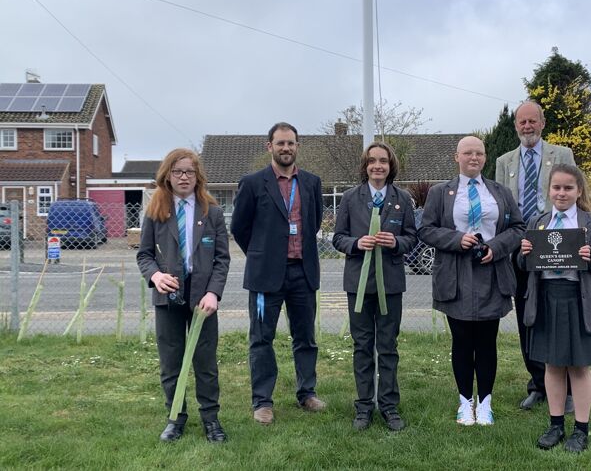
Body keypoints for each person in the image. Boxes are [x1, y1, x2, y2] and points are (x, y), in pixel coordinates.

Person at [419, 136, 525, 426]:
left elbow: (518, 227)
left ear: (485, 158)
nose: (473, 158)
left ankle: (485, 402)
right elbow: (426, 230)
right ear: (457, 157)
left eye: (479, 153)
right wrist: (456, 239)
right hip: (455, 274)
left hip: (492, 273)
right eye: (468, 153)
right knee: (462, 341)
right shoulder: (441, 193)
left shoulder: (500, 192)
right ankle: (465, 402)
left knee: (487, 342)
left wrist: (496, 247)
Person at [518, 164, 591, 453]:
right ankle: (555, 425)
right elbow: (524, 264)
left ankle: (581, 430)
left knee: (579, 367)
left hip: (579, 300)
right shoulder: (538, 222)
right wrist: (523, 255)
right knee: (552, 365)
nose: (561, 193)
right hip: (547, 299)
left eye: (568, 188)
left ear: (579, 191)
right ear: (549, 190)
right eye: (556, 187)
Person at [230, 122, 325, 425]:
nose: (286, 148)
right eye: (280, 143)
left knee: (305, 337)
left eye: (291, 143)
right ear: (269, 146)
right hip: (264, 277)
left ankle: (307, 393)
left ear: (298, 146)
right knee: (261, 339)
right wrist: (261, 254)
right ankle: (262, 401)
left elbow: (315, 222)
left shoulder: (311, 183)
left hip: (302, 274)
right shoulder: (253, 182)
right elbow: (240, 228)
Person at [136, 148, 230, 443]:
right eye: (178, 171)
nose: (184, 177)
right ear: (167, 176)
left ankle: (211, 420)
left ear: (197, 176)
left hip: (203, 301)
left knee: (205, 362)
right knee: (171, 363)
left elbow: (222, 259)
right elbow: (144, 255)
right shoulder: (155, 212)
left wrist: (214, 293)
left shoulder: (211, 213)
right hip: (168, 300)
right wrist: (155, 275)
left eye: (189, 171)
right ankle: (175, 418)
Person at [495, 100, 576, 411]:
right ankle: (538, 384)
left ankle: (567, 388)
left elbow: (571, 192)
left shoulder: (562, 155)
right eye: (521, 122)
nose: (527, 127)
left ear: (542, 123)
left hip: (555, 243)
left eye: (532, 121)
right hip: (520, 248)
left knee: (559, 316)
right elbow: (502, 205)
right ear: (516, 125)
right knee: (527, 318)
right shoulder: (505, 161)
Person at [332, 142, 418, 431]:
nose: (377, 166)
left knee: (388, 346)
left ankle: (390, 406)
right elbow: (337, 237)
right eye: (372, 161)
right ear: (365, 166)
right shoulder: (350, 198)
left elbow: (411, 238)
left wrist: (396, 243)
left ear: (390, 165)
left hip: (391, 285)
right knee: (362, 346)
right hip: (358, 284)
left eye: (383, 161)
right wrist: (356, 244)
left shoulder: (402, 199)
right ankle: (364, 406)